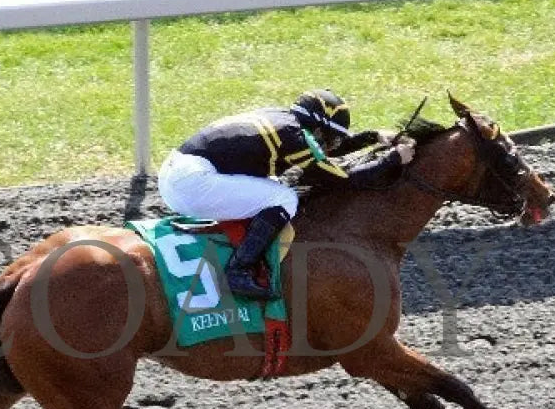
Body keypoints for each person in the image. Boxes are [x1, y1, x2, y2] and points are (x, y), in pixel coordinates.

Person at [157, 89, 415, 299]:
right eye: (330, 137)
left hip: (179, 172)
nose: (332, 144)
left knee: (275, 187)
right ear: (316, 128)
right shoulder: (292, 136)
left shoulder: (285, 120)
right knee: (284, 198)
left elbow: (320, 154)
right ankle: (238, 270)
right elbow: (338, 179)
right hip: (190, 183)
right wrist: (392, 160)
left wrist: (373, 137)